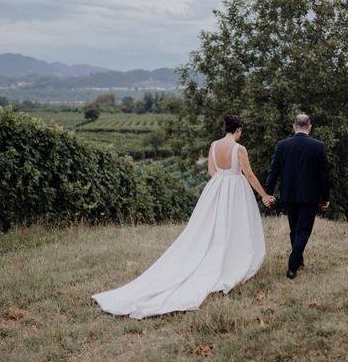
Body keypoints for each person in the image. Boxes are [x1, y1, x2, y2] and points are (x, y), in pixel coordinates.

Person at [92, 114, 272, 319]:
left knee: (211, 227)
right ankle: (232, 259)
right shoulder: (240, 149)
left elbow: (212, 171)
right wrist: (264, 195)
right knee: (236, 226)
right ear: (238, 129)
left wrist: (223, 181)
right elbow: (248, 174)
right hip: (235, 188)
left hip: (216, 188)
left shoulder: (214, 146)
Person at [265, 113, 330, 279]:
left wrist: (268, 192)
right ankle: (292, 266)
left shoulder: (282, 145)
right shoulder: (318, 146)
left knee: (295, 230)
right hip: (310, 196)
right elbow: (324, 175)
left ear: (294, 127)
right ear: (309, 127)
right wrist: (325, 197)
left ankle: (298, 261)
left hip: (289, 194)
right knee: (303, 231)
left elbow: (274, 171)